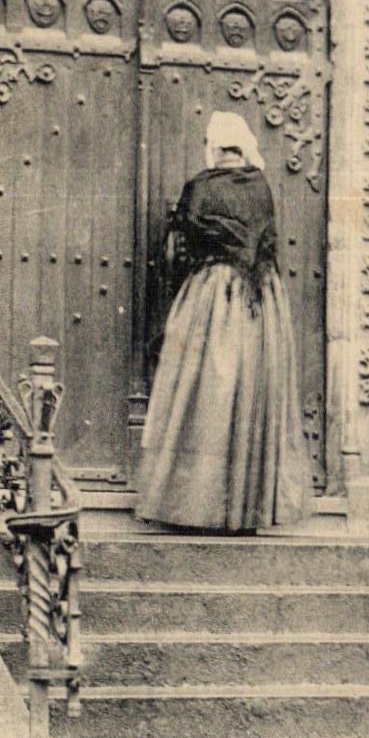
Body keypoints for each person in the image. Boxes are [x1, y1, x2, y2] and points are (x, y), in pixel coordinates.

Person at [136, 112, 311, 532]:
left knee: (206, 396)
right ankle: (246, 508)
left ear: (215, 147)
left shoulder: (200, 187)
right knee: (249, 393)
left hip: (215, 295)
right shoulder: (262, 188)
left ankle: (197, 505)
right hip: (260, 301)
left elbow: (181, 247)